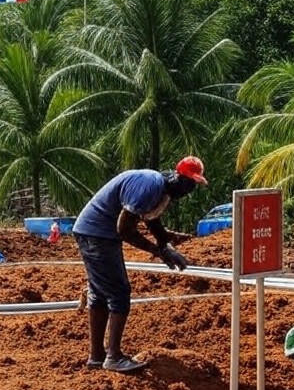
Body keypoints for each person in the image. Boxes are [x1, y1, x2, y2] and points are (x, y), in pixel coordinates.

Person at [73, 157, 207, 372]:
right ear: (176, 177)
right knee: (119, 292)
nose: (189, 190)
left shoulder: (160, 189)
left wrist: (165, 243)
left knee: (99, 294)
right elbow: (124, 229)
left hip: (94, 232)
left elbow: (151, 220)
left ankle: (97, 356)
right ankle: (113, 356)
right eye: (188, 183)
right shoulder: (150, 185)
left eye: (194, 185)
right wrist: (157, 251)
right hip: (98, 234)